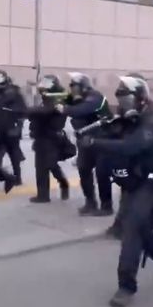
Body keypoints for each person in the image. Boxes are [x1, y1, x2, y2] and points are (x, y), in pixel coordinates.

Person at [79, 75, 153, 307]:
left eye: (128, 100)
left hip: (151, 184)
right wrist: (101, 131)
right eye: (121, 101)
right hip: (132, 183)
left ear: (141, 99)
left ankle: (126, 285)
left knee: (132, 229)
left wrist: (96, 143)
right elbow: (115, 138)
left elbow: (131, 146)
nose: (124, 105)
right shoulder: (130, 120)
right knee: (140, 228)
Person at [58, 72, 114, 216]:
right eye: (71, 86)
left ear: (83, 86)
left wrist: (65, 108)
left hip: (102, 139)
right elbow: (61, 102)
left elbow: (83, 110)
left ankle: (107, 206)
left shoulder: (95, 97)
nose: (72, 89)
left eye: (74, 86)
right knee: (83, 170)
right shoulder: (74, 98)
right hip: (84, 140)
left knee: (102, 173)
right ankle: (90, 202)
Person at [26, 75, 71, 203]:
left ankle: (63, 183)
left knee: (50, 164)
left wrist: (30, 111)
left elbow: (47, 111)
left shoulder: (59, 98)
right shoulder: (46, 98)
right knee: (40, 167)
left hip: (52, 137)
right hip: (41, 135)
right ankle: (43, 195)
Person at [0, 70, 27, 185]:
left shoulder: (14, 93)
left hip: (11, 127)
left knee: (13, 153)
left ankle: (17, 177)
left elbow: (23, 111)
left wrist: (18, 125)